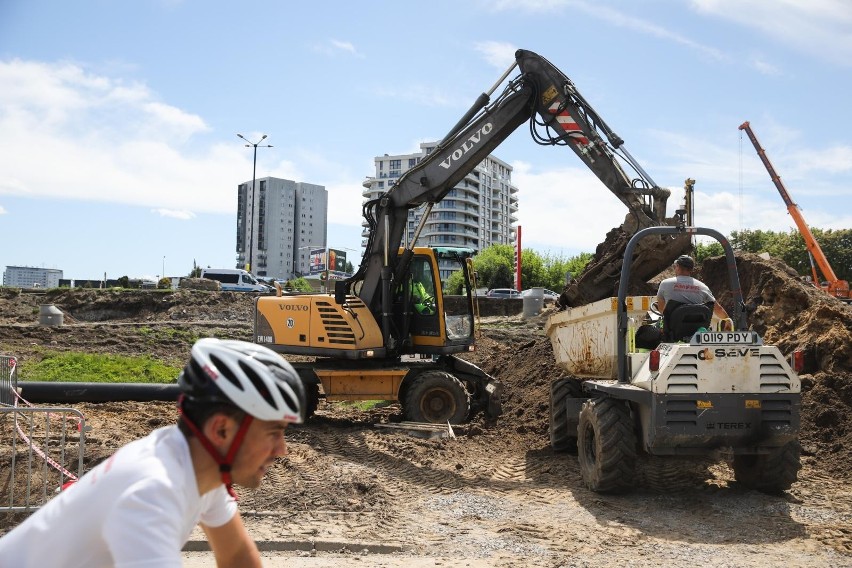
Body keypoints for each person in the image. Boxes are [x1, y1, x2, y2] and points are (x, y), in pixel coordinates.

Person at [0, 338, 306, 568]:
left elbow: (238, 558)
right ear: (222, 430)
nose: (282, 450)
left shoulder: (198, 467)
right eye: (273, 433)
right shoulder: (152, 493)